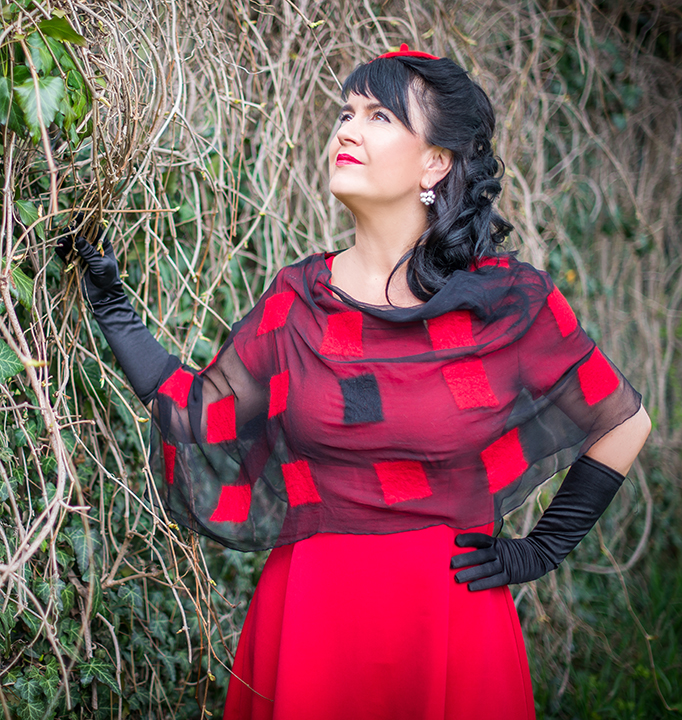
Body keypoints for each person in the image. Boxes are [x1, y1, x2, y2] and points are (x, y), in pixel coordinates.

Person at [58, 45, 650, 720]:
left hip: (450, 620)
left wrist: (542, 549)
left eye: (379, 117)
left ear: (436, 162)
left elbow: (623, 421)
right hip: (311, 616)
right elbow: (198, 414)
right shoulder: (299, 302)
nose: (347, 129)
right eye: (346, 113)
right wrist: (113, 309)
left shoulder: (506, 305)